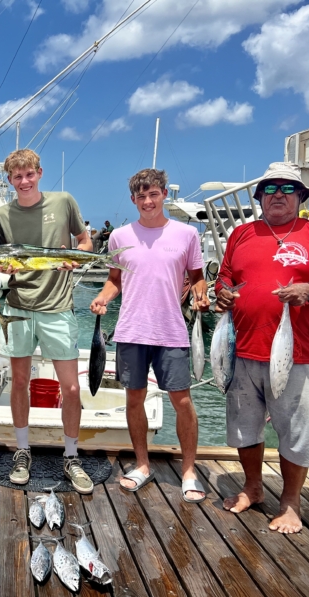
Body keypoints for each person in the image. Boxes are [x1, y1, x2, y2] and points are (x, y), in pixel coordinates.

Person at [215, 162, 309, 533]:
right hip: (239, 351)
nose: (278, 194)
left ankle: (290, 502)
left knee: (296, 431)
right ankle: (253, 487)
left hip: (295, 354)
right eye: (270, 188)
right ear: (259, 197)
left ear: (301, 196)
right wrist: (222, 293)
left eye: (288, 188)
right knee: (244, 428)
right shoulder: (242, 233)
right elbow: (225, 276)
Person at [90, 168, 209, 502]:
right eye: (140, 196)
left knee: (182, 401)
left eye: (153, 194)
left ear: (164, 194)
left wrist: (201, 293)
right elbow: (115, 279)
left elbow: (197, 277)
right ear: (133, 200)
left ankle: (188, 471)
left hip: (171, 331)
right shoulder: (119, 237)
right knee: (133, 399)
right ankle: (142, 465)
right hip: (131, 330)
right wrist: (102, 297)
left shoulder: (186, 234)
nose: (147, 201)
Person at [0, 148, 94, 494]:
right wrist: (2, 268)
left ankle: (71, 456)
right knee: (19, 382)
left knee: (72, 388)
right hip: (18, 306)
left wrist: (76, 259)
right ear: (9, 181)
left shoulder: (63, 201)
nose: (24, 181)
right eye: (17, 177)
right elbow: (0, 259)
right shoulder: (2, 214)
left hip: (58, 307)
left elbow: (84, 241)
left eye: (29, 174)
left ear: (39, 172)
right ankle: (23, 451)